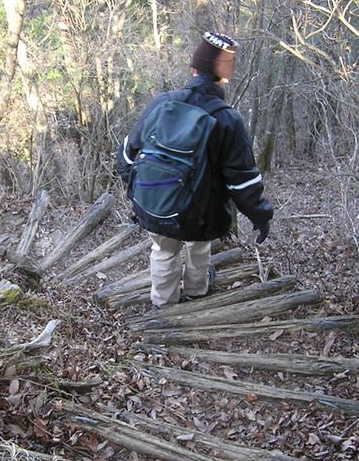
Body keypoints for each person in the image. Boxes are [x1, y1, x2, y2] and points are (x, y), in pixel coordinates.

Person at [117, 31, 274, 311]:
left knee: (163, 250)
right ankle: (196, 292)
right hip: (200, 214)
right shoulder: (227, 119)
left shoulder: (161, 103)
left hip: (156, 205)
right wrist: (261, 216)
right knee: (199, 246)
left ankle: (163, 305)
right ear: (224, 78)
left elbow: (128, 153)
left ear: (193, 71)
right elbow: (243, 182)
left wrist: (138, 192)